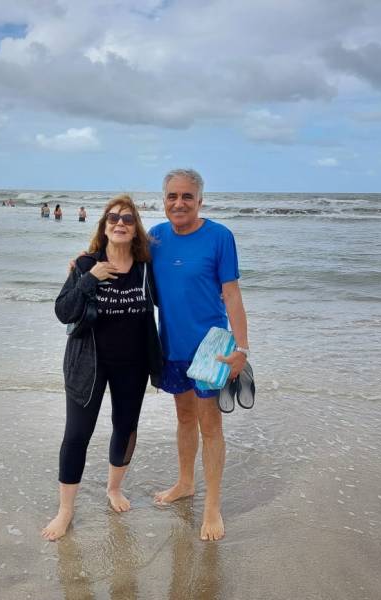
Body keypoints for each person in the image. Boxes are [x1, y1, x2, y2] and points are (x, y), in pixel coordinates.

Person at [41, 195, 162, 541]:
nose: (119, 223)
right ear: (104, 226)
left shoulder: (145, 269)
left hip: (132, 365)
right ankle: (65, 511)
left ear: (135, 226)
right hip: (87, 365)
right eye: (112, 218)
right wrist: (88, 278)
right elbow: (63, 311)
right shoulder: (85, 264)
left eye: (127, 218)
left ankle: (114, 488)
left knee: (125, 428)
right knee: (77, 435)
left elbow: (172, 300)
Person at [149, 168, 249, 541]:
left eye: (187, 196)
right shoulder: (156, 237)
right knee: (184, 417)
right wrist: (83, 261)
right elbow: (119, 256)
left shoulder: (219, 237)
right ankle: (185, 483)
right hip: (170, 347)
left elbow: (233, 294)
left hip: (210, 350)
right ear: (164, 201)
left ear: (199, 200)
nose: (179, 203)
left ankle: (212, 506)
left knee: (211, 425)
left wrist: (242, 348)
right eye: (172, 196)